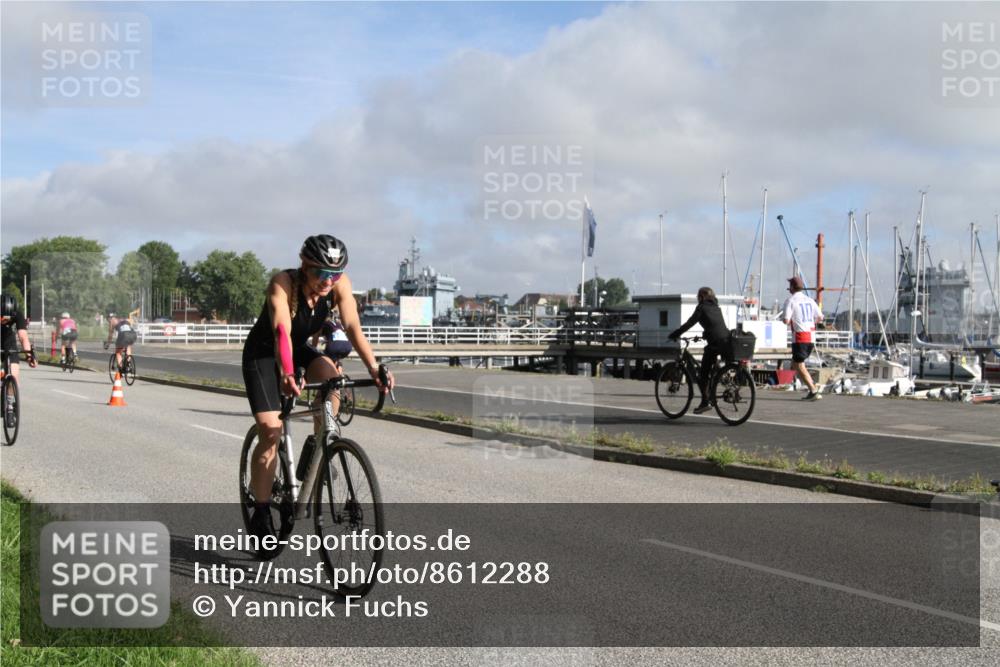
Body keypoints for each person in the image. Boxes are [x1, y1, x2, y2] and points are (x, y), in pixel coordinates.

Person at [242, 234, 393, 557]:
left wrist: (374, 368)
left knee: (332, 379)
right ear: (304, 266)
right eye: (320, 273)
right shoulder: (282, 285)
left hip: (298, 351)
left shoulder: (339, 285)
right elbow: (282, 331)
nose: (328, 281)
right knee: (271, 432)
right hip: (265, 356)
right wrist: (285, 372)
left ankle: (319, 446)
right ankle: (263, 508)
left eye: (334, 275)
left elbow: (352, 325)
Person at [668, 287, 730, 414]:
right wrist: (705, 335)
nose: (697, 299)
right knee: (712, 367)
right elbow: (715, 326)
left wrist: (675, 334)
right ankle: (718, 383)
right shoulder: (716, 307)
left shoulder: (702, 308)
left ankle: (705, 402)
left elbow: (689, 323)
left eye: (698, 296)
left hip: (714, 344)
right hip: (725, 341)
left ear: (702, 297)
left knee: (703, 375)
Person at [782, 276, 824, 400]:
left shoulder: (790, 301)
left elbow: (786, 320)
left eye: (790, 285)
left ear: (792, 287)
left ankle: (813, 390)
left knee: (799, 365)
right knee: (796, 364)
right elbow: (820, 317)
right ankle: (811, 385)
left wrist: (785, 319)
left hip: (800, 337)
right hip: (811, 337)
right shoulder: (810, 300)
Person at [1, 293, 38, 395]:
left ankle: (9, 404)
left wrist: (29, 355)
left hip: (8, 341)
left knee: (14, 374)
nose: (5, 321)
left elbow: (23, 337)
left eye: (7, 319)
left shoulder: (17, 314)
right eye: (2, 318)